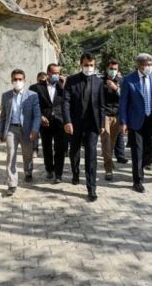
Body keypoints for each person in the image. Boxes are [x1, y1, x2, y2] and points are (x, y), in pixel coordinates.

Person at [118, 53, 152, 193]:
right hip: (135, 121)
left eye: (151, 64)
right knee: (137, 152)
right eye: (146, 65)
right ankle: (138, 181)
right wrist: (123, 122)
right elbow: (123, 103)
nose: (149, 67)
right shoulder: (129, 80)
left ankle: (139, 166)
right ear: (139, 65)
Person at [62, 53, 105, 202]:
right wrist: (67, 121)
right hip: (75, 123)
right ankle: (75, 172)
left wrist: (102, 124)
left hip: (92, 124)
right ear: (81, 65)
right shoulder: (71, 80)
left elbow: (102, 105)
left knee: (91, 155)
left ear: (95, 65)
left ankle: (91, 188)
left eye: (91, 65)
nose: (89, 67)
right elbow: (66, 102)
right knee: (74, 150)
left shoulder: (99, 82)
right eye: (86, 65)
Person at [0, 69, 41, 196]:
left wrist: (35, 129)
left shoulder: (32, 95)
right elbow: (3, 116)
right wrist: (1, 131)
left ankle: (28, 171)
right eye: (15, 79)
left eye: (20, 79)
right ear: (11, 80)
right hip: (11, 129)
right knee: (11, 155)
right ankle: (12, 183)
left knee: (27, 154)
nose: (17, 81)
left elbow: (37, 115)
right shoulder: (6, 96)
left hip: (27, 129)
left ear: (24, 80)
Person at [29, 63, 67, 183]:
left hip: (60, 121)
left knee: (60, 148)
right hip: (45, 122)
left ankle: (58, 174)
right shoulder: (36, 87)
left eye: (58, 73)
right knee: (46, 147)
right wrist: (40, 116)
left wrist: (64, 86)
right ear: (48, 73)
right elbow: (33, 105)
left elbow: (68, 102)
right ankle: (49, 169)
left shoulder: (63, 87)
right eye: (54, 73)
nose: (56, 75)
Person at [101, 60, 122, 181]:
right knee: (106, 141)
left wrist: (116, 89)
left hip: (117, 115)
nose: (113, 71)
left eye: (115, 69)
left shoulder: (121, 81)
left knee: (112, 142)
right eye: (111, 69)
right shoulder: (100, 81)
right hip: (105, 115)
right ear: (107, 69)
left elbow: (125, 97)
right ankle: (108, 169)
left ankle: (109, 159)